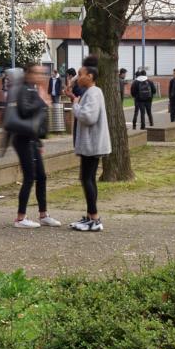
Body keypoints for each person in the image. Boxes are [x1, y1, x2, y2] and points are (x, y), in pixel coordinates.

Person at [4, 67, 59, 228]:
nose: (41, 76)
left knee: (41, 176)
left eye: (42, 73)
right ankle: (20, 218)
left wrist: (39, 142)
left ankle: (43, 214)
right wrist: (41, 100)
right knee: (29, 176)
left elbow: (36, 118)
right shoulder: (22, 89)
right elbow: (25, 110)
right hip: (22, 139)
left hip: (31, 139)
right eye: (37, 73)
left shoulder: (32, 88)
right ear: (28, 74)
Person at [71, 57, 110, 231]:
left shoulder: (94, 93)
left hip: (92, 144)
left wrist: (75, 105)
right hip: (91, 144)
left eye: (81, 74)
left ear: (90, 76)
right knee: (88, 178)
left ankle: (94, 218)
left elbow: (88, 117)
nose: (78, 77)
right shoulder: (91, 92)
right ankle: (90, 216)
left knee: (87, 179)